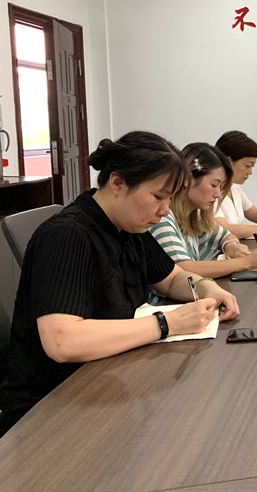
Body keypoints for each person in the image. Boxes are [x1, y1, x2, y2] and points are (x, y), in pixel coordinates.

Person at [0, 132, 241, 435]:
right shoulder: (66, 235)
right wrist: (167, 323)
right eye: (158, 197)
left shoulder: (130, 228)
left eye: (170, 198)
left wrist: (207, 287)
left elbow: (171, 279)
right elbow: (63, 341)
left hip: (107, 379)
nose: (165, 210)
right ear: (118, 183)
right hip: (51, 408)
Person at [150, 142, 257, 277]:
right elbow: (183, 269)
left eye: (221, 187)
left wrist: (231, 246)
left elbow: (225, 235)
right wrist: (246, 262)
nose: (218, 194)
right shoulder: (162, 218)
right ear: (187, 179)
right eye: (214, 185)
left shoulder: (194, 216)